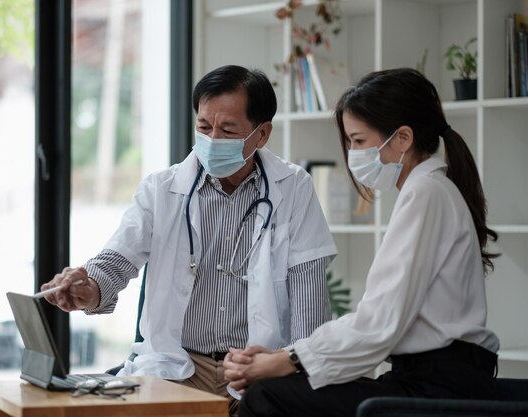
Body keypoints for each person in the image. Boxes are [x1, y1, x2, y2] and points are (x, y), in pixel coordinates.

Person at [41, 65, 337, 412]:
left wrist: (293, 366)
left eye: (228, 130)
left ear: (261, 134)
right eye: (203, 127)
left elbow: (309, 294)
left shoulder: (294, 188)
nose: (212, 139)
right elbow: (116, 262)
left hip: (255, 369)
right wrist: (86, 288)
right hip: (177, 367)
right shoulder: (162, 189)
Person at [223, 68, 500, 417]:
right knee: (276, 390)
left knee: (270, 395)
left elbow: (379, 322)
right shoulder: (429, 190)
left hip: (438, 385)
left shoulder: (426, 193)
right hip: (433, 377)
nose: (352, 154)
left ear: (402, 138)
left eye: (358, 141)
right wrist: (287, 358)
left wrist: (287, 359)